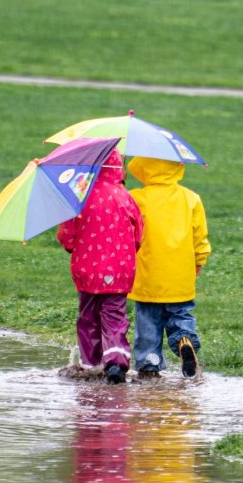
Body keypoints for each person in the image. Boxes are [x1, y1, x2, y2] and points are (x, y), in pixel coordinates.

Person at [57, 148, 144, 384]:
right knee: (114, 315)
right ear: (119, 169)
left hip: (87, 271)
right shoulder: (126, 197)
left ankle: (91, 363)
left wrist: (70, 246)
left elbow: (67, 234)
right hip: (120, 270)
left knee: (88, 316)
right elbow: (138, 234)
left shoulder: (80, 196)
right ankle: (116, 361)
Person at [126, 156, 212, 378]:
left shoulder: (136, 198)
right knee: (181, 314)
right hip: (180, 274)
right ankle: (185, 340)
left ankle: (149, 365)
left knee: (148, 322)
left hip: (147, 276)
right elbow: (199, 235)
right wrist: (199, 260)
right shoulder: (191, 199)